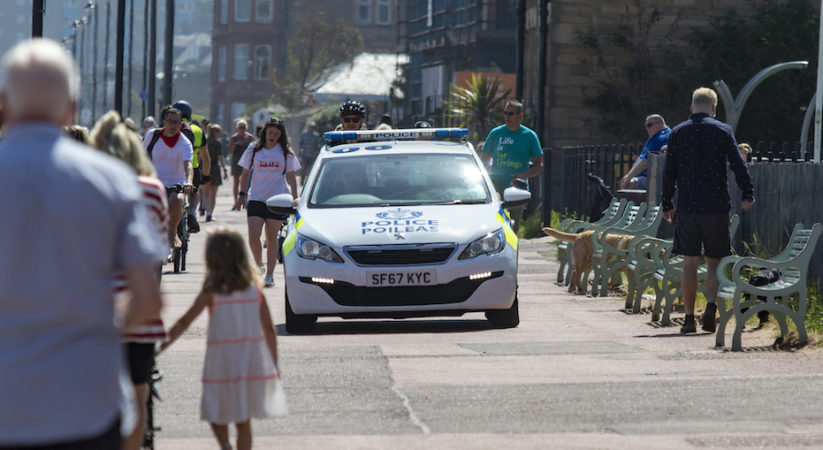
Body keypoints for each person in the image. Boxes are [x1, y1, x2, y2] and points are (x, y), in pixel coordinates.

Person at [0, 38, 164, 449]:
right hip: (87, 402)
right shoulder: (112, 181)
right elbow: (147, 301)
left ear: (3, 104)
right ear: (70, 108)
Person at [89, 110, 169, 450]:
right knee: (138, 394)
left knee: (98, 398)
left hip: (96, 310)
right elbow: (159, 245)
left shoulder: (91, 186)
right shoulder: (153, 189)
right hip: (143, 307)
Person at [158, 228, 281, 450]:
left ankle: (225, 444)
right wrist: (274, 363)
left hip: (221, 361)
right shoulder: (254, 290)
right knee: (244, 420)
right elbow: (269, 329)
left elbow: (185, 322)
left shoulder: (212, 291)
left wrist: (160, 346)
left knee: (214, 410)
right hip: (248, 360)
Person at [662, 87, 755, 334]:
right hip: (715, 206)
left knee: (689, 263)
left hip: (688, 205)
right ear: (714, 108)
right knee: (714, 263)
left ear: (692, 108)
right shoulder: (723, 131)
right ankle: (711, 307)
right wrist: (747, 193)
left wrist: (667, 202)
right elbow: (738, 165)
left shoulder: (678, 132)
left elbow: (668, 170)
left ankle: (689, 319)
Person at [234, 117, 300, 288]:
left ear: (280, 135)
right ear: (265, 132)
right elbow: (245, 173)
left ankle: (270, 274)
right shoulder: (254, 149)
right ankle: (259, 265)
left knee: (271, 238)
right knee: (253, 236)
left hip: (277, 199)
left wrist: (295, 198)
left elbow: (291, 176)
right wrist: (241, 194)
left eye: (276, 133)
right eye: (270, 132)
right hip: (256, 197)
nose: (273, 135)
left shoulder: (285, 151)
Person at [480, 99, 544, 232]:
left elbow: (539, 165)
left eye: (511, 113)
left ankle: (512, 251)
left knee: (513, 228)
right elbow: (482, 159)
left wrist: (523, 175)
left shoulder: (529, 136)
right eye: (505, 113)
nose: (507, 116)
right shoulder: (496, 133)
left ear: (520, 116)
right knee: (493, 226)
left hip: (516, 188)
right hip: (495, 187)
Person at [143, 107, 194, 253]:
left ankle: (172, 233)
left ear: (180, 124)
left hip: (175, 183)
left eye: (176, 122)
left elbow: (188, 165)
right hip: (154, 181)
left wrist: (189, 181)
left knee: (177, 200)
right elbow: (141, 156)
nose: (173, 125)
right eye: (170, 121)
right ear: (164, 122)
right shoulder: (152, 135)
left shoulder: (184, 143)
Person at [173, 100, 210, 233]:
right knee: (194, 193)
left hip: (173, 168)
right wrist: (206, 176)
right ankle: (193, 212)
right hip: (192, 167)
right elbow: (206, 158)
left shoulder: (169, 126)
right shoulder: (198, 130)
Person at [619, 114, 671, 190]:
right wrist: (628, 175)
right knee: (627, 182)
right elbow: (641, 158)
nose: (647, 128)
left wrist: (629, 177)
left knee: (630, 184)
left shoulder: (663, 137)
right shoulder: (653, 138)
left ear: (659, 124)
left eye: (649, 125)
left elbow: (646, 161)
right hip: (644, 177)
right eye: (646, 126)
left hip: (654, 179)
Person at [228, 119, 256, 207]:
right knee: (236, 182)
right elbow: (230, 151)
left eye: (243, 127)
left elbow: (254, 149)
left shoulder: (250, 138)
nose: (242, 129)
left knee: (248, 181)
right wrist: (236, 144)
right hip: (236, 160)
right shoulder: (234, 138)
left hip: (248, 161)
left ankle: (246, 200)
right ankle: (236, 201)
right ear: (238, 128)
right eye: (240, 127)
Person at [203, 124, 227, 222]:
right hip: (215, 170)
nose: (220, 133)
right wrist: (224, 169)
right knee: (213, 193)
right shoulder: (217, 143)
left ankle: (208, 212)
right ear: (215, 132)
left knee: (206, 192)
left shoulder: (205, 141)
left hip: (206, 169)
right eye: (219, 131)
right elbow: (220, 157)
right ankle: (210, 213)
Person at [298, 119, 321, 185]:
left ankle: (308, 182)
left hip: (313, 155)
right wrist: (299, 152)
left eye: (313, 127)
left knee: (311, 169)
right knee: (304, 168)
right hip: (305, 154)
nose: (312, 128)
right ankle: (302, 181)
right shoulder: (304, 134)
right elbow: (300, 143)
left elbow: (317, 145)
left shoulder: (316, 135)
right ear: (308, 127)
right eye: (311, 126)